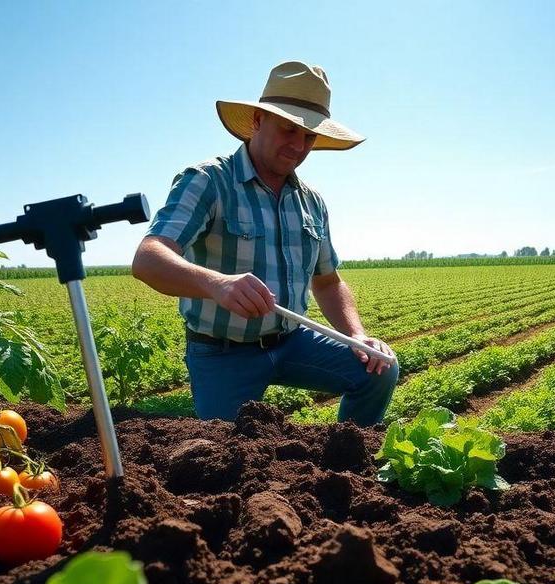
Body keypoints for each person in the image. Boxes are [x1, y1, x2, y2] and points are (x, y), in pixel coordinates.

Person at [132, 60, 398, 426]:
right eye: (288, 129)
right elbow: (148, 258)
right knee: (226, 458)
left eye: (308, 136)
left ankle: (350, 456)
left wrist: (356, 336)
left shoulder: (311, 200)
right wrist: (217, 284)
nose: (298, 146)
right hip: (222, 353)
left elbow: (328, 281)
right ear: (257, 121)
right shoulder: (209, 180)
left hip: (291, 341)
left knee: (380, 369)